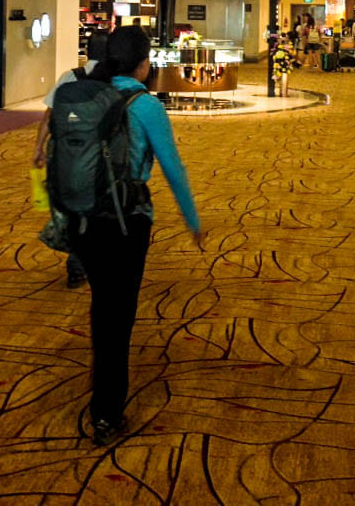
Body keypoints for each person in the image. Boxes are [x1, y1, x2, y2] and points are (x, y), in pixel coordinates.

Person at [73, 26, 203, 446]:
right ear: (144, 64)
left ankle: (102, 380)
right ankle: (107, 412)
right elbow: (172, 166)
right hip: (126, 220)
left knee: (103, 300)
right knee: (119, 311)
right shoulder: (145, 106)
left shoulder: (87, 93)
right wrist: (193, 220)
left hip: (84, 218)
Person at [32, 30, 110, 289]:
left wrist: (39, 148)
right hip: (99, 154)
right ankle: (89, 259)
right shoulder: (114, 81)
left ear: (87, 52)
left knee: (71, 205)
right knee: (98, 206)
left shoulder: (70, 77)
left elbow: (49, 116)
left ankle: (77, 259)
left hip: (65, 152)